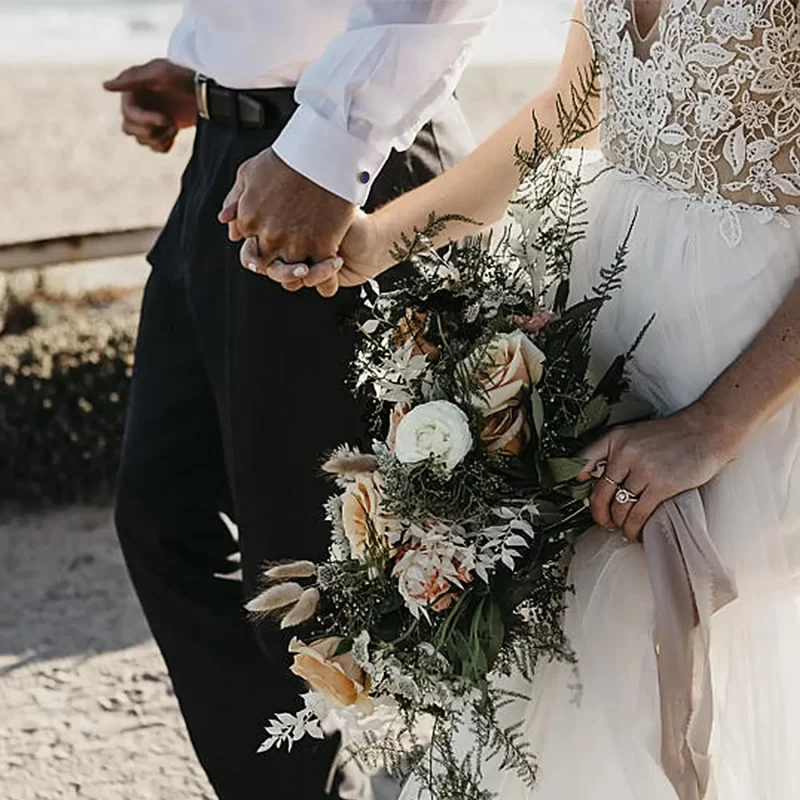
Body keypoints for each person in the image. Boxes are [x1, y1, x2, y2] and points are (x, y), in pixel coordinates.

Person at [262, 0, 800, 797]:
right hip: (608, 334)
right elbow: (571, 109)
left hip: (755, 371)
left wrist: (713, 426)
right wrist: (382, 240)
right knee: (573, 677)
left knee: (732, 661)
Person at [104, 3, 500, 799]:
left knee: (342, 565)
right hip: (229, 153)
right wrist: (212, 67)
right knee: (164, 516)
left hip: (341, 157)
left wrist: (329, 148)